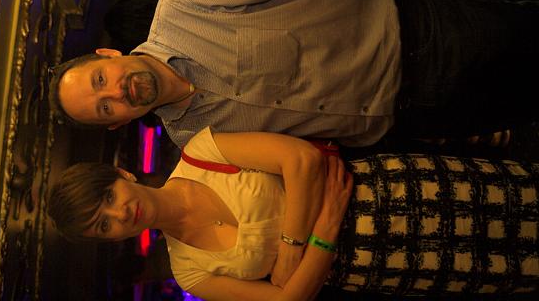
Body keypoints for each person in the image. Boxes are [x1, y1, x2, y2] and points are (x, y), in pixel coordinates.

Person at [48, 0, 539, 149]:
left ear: (108, 56)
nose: (116, 91)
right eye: (105, 106)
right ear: (117, 122)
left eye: (100, 79)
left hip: (426, 39)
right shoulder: (195, 142)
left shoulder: (185, 4)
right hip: (415, 119)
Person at [49, 128, 539, 299]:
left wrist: (292, 253)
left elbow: (301, 159)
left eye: (108, 197)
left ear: (123, 175)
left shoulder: (201, 152)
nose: (120, 213)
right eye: (104, 225)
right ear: (111, 240)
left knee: (517, 197)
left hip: (386, 192)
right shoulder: (189, 272)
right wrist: (322, 229)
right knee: (511, 270)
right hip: (376, 265)